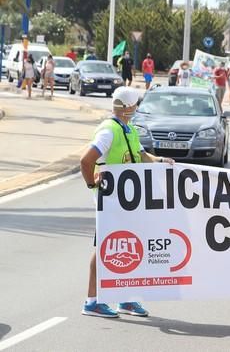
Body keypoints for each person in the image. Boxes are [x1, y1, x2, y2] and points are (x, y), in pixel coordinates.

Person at [79, 87, 175, 318]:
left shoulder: (129, 129)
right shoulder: (109, 131)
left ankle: (126, 299)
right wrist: (92, 183)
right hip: (110, 200)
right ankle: (92, 301)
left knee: (130, 245)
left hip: (128, 200)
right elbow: (86, 160)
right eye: (135, 105)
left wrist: (160, 160)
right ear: (128, 107)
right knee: (104, 247)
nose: (137, 109)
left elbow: (141, 155)